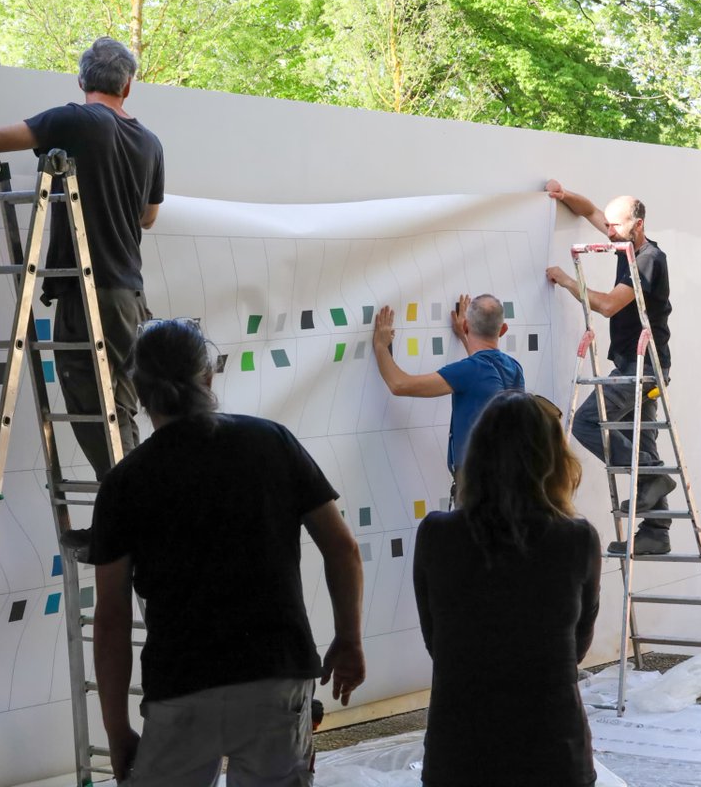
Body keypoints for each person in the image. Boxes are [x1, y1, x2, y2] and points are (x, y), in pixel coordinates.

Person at [88, 319, 366, 787]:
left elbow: (111, 616)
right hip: (276, 675)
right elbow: (341, 547)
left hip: (181, 685)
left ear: (138, 391)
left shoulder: (125, 482)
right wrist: (349, 637)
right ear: (209, 377)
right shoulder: (272, 442)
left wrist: (117, 730)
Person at [0, 36, 164, 477]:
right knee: (121, 410)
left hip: (86, 291)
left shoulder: (74, 121)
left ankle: (129, 522)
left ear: (81, 80)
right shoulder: (150, 142)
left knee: (93, 410)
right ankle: (135, 521)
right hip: (130, 296)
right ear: (127, 86)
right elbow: (148, 217)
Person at [413, 390, 600, 787]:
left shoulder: (436, 534)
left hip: (460, 747)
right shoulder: (577, 539)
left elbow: (437, 639)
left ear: (477, 457)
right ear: (554, 461)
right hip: (552, 746)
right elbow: (577, 646)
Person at [545, 180, 675, 555]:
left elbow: (606, 306)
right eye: (610, 225)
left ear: (638, 224)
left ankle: (650, 480)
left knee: (586, 421)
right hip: (633, 365)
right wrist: (564, 194)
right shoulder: (623, 243)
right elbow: (589, 211)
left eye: (616, 226)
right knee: (643, 446)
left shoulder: (649, 259)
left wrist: (567, 280)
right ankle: (657, 533)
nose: (609, 231)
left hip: (643, 369)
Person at [372, 294, 525, 481]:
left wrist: (380, 346)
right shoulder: (514, 367)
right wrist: (463, 335)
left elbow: (399, 385)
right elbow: (483, 371)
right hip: (510, 474)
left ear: (467, 325)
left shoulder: (468, 371)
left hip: (477, 482)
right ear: (503, 329)